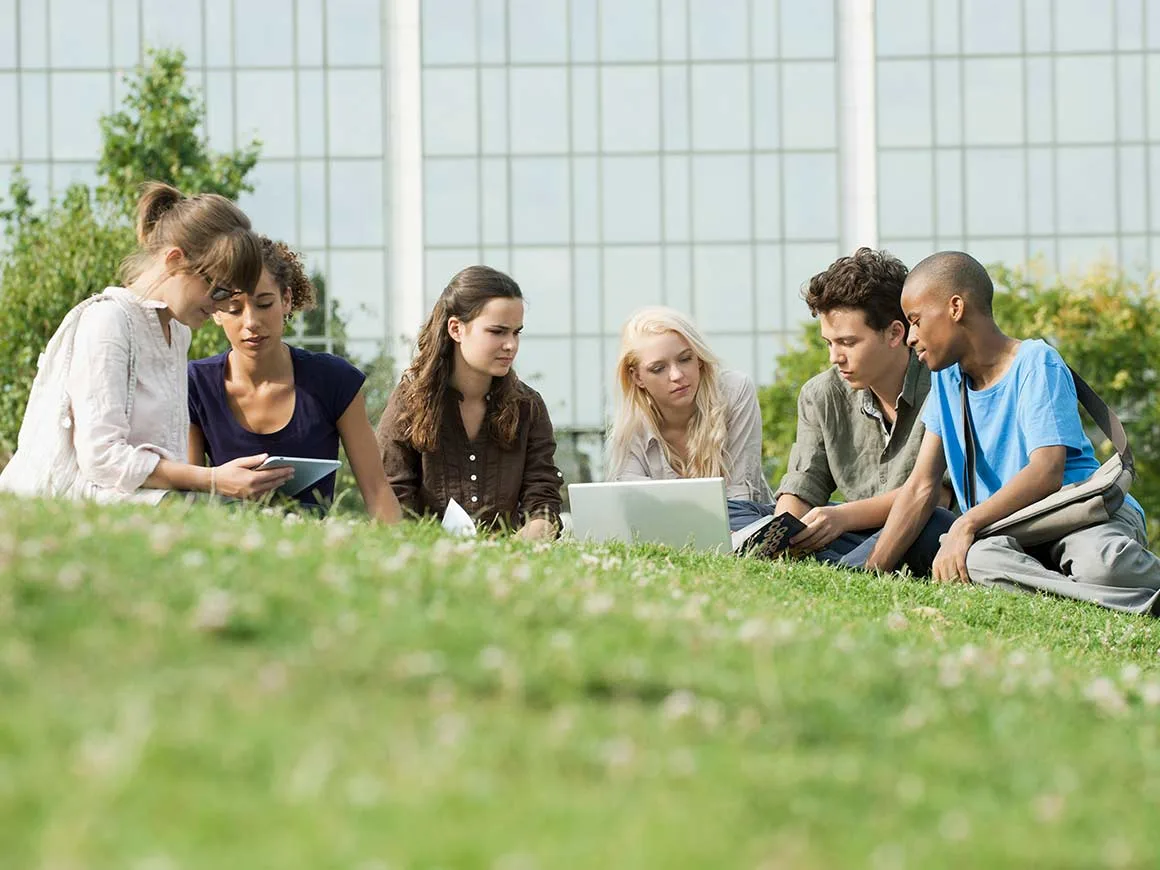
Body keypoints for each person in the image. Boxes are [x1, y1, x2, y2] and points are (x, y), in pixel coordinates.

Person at [864, 251, 1160, 615]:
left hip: (1080, 516)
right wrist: (871, 573)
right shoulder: (946, 380)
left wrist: (966, 523)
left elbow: (1046, 472)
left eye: (916, 321)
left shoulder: (1036, 362)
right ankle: (1109, 603)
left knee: (1104, 565)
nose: (910, 337)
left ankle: (1076, 589)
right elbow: (921, 486)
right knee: (976, 561)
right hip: (1010, 530)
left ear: (955, 308)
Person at [0, 182, 294, 503]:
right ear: (174, 262)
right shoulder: (109, 321)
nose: (222, 307)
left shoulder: (178, 333)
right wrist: (211, 478)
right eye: (220, 291)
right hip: (68, 501)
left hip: (134, 501)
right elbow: (102, 459)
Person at [188, 237, 402, 522]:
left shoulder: (334, 380)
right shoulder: (195, 383)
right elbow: (187, 496)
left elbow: (377, 490)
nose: (251, 322)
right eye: (235, 308)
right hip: (227, 544)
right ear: (216, 311)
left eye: (264, 304)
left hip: (314, 550)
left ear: (286, 300)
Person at [772, 248, 955, 574]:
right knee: (740, 510)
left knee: (933, 524)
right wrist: (777, 536)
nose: (835, 357)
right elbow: (804, 485)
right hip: (855, 532)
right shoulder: (820, 394)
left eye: (848, 343)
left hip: (924, 530)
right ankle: (826, 563)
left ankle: (844, 571)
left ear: (895, 334)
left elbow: (937, 495)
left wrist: (842, 517)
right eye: (829, 343)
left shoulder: (945, 385)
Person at [376, 265, 562, 540]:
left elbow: (543, 499)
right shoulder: (409, 402)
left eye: (516, 332)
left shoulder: (529, 406)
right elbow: (393, 499)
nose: (511, 345)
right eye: (497, 331)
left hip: (510, 567)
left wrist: (526, 541)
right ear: (456, 329)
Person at [607, 306, 773, 531]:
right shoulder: (629, 427)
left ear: (699, 359)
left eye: (685, 359)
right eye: (658, 368)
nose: (677, 376)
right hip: (666, 531)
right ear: (637, 377)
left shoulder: (734, 391)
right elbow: (633, 506)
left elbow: (740, 495)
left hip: (741, 526)